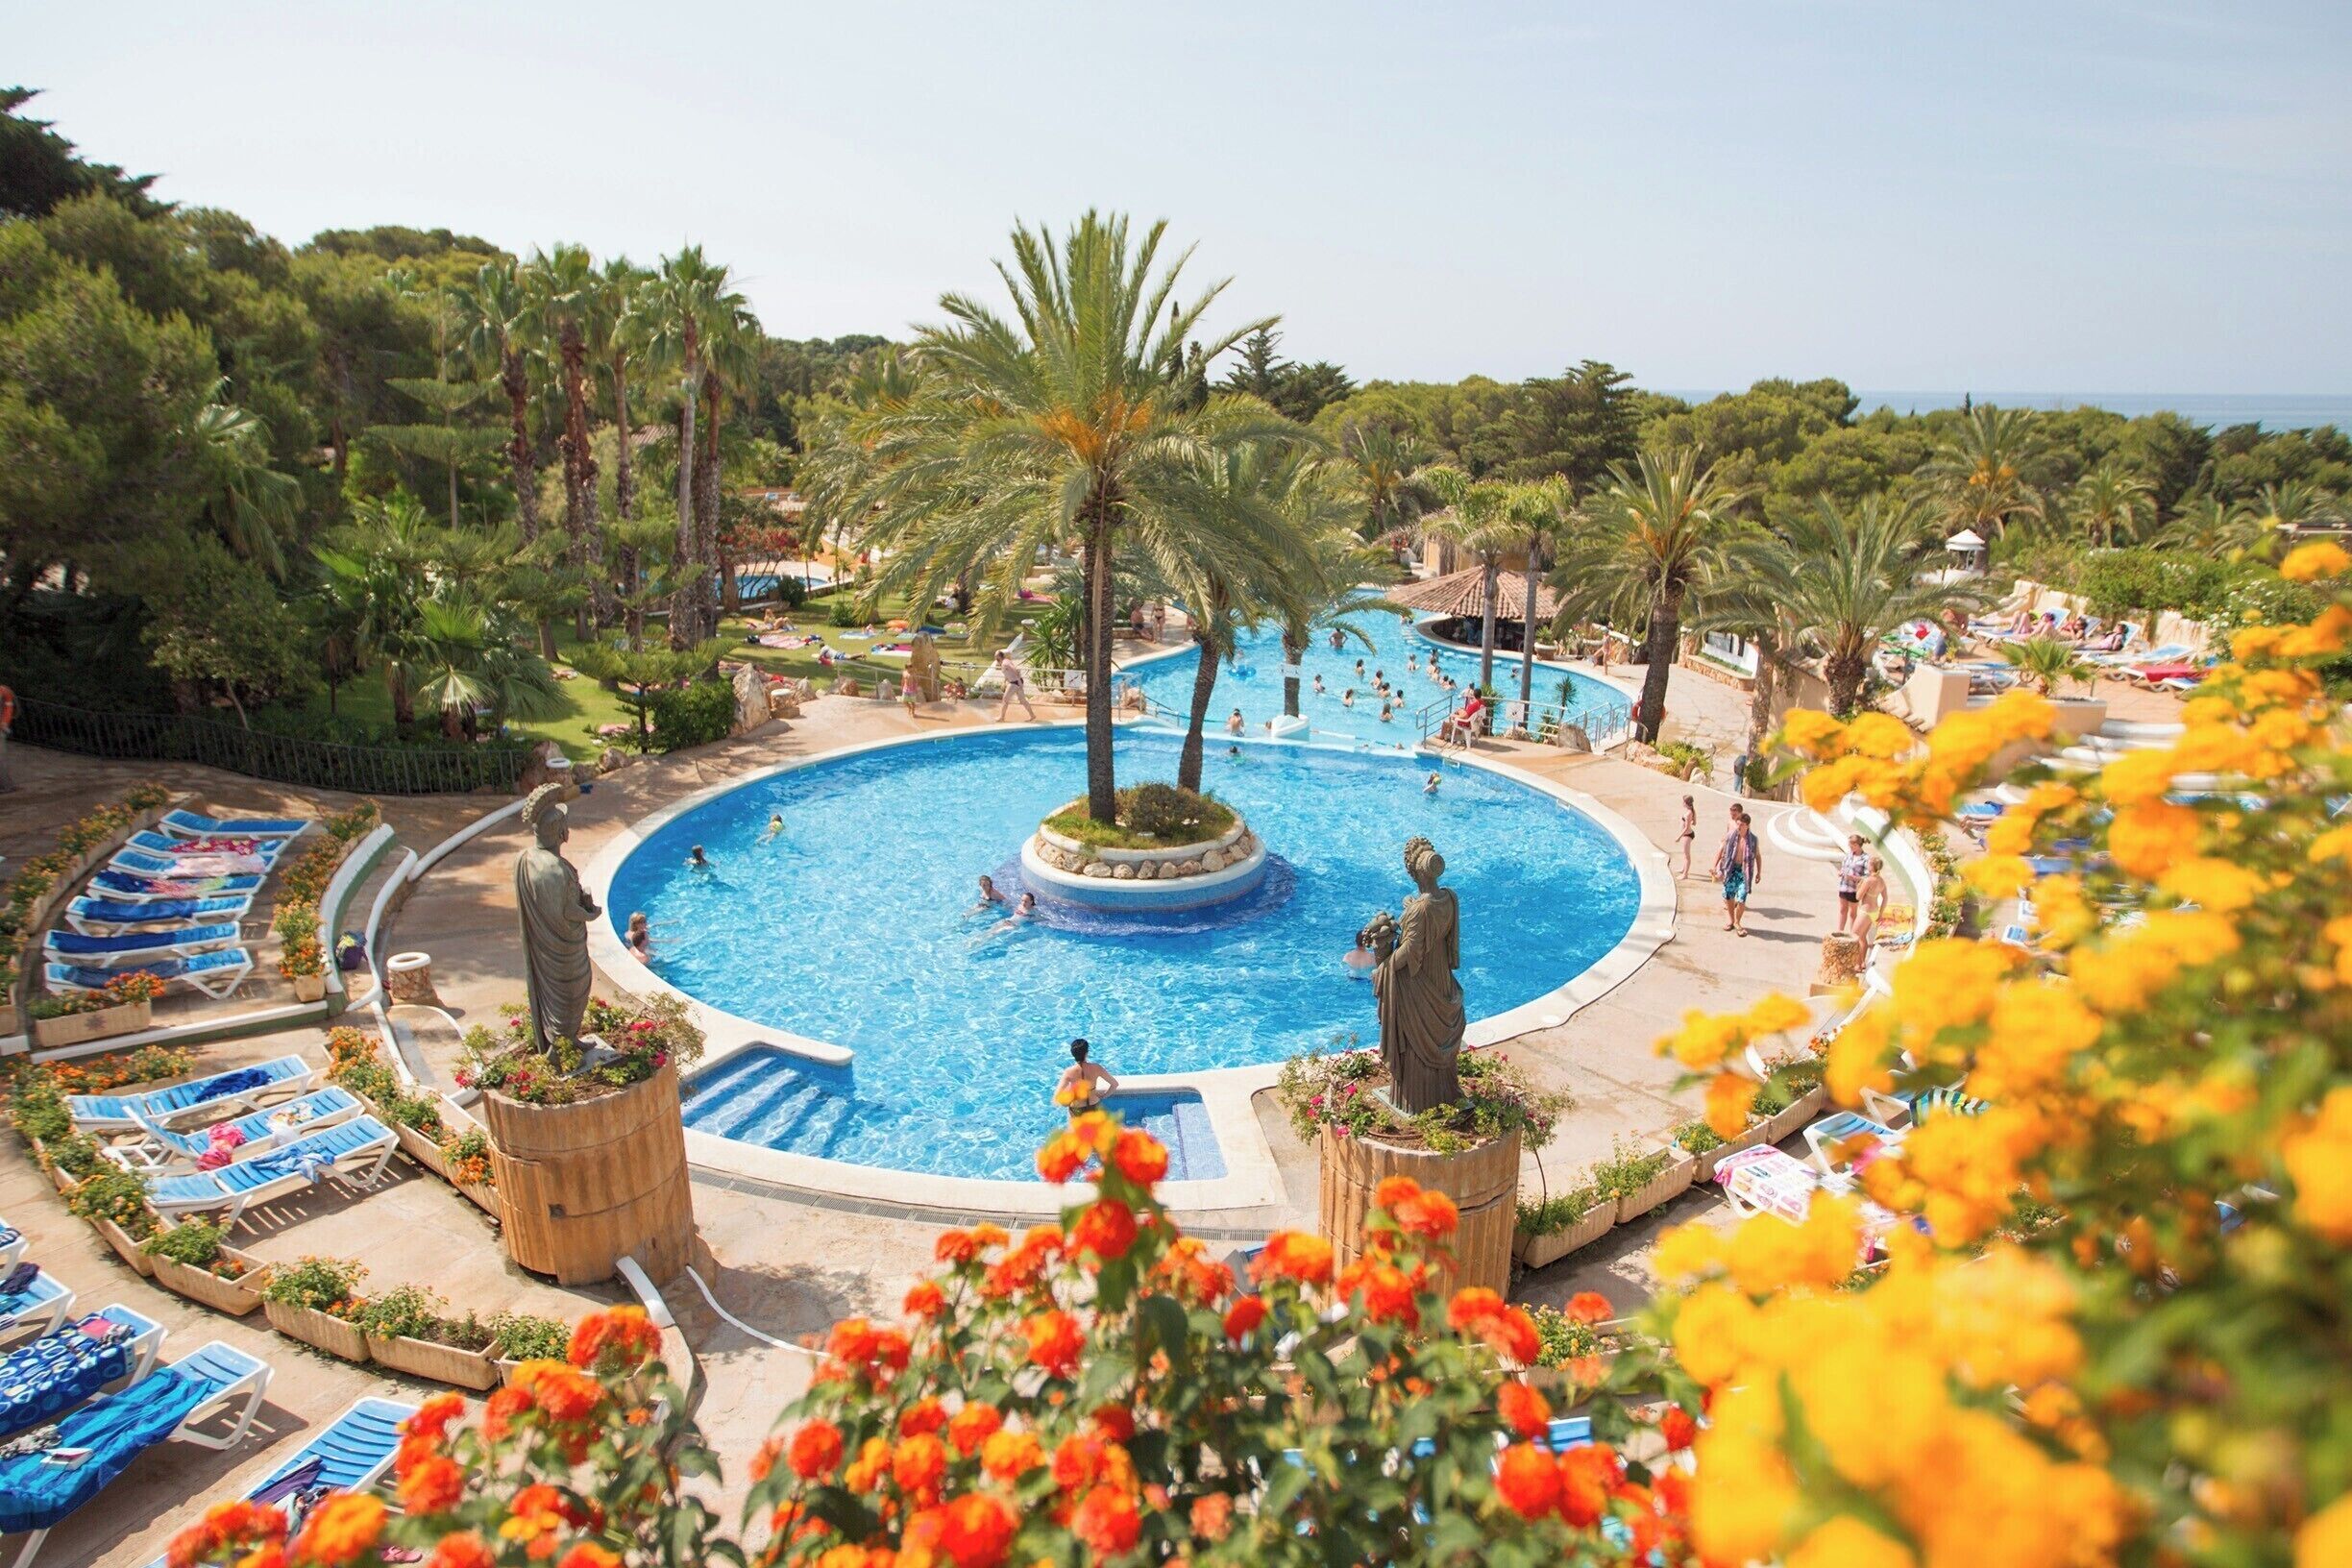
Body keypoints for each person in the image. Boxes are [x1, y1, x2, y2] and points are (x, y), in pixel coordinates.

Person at [1713, 805, 1758, 936]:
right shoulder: (1731, 835)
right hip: (1731, 869)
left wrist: (1759, 872)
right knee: (1728, 896)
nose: (1739, 827)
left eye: (1742, 825)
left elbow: (1758, 856)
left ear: (1747, 826)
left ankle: (1738, 922)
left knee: (1742, 898)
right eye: (1738, 824)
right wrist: (1715, 866)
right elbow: (1721, 850)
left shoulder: (1753, 840)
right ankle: (1731, 920)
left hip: (1744, 871)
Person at [1053, 1038, 1117, 1120]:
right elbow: (1114, 1084)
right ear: (1086, 1053)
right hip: (1094, 1105)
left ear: (1073, 1054)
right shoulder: (1096, 1068)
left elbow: (1057, 1097)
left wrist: (1068, 1102)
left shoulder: (1068, 1072)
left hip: (1077, 1108)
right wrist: (1104, 1096)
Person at [1835, 833, 1871, 933]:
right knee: (1842, 910)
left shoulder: (1866, 858)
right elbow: (1844, 867)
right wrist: (1841, 872)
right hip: (1844, 887)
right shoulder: (1849, 855)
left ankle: (1852, 934)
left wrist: (1853, 878)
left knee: (1852, 913)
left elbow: (1867, 877)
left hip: (1854, 890)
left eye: (1851, 846)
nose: (1850, 848)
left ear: (1857, 845)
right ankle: (1839, 932)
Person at [1854, 854, 1889, 953]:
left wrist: (1859, 886)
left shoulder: (1868, 880)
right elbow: (1885, 898)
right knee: (1862, 937)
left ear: (1872, 866)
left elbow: (1858, 897)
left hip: (1865, 911)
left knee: (1855, 936)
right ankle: (1861, 964)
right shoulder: (1882, 881)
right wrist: (1880, 914)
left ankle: (1858, 963)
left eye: (1869, 864)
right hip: (1874, 912)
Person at [993, 649, 1038, 723]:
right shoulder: (1006, 661)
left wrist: (1019, 682)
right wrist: (1005, 681)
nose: (994, 657)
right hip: (1016, 682)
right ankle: (1032, 715)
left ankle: (1002, 717)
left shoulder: (1005, 663)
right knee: (1023, 700)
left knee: (1005, 699)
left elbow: (1014, 669)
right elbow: (1008, 672)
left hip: (1014, 683)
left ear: (998, 656)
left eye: (995, 655)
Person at [1677, 795, 1698, 879]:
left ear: (1686, 803)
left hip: (1687, 835)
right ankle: (1683, 869)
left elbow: (1687, 828)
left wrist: (1679, 837)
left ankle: (1685, 874)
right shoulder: (1691, 811)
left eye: (1683, 801)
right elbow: (1695, 823)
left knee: (1687, 856)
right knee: (1685, 854)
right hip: (1686, 835)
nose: (1682, 803)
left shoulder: (1689, 813)